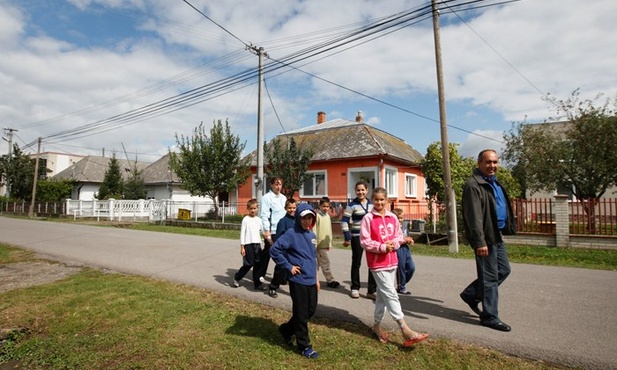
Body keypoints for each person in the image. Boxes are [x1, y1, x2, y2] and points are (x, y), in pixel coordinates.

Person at [360, 187, 429, 347]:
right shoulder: (368, 219)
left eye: (382, 199)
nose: (379, 202)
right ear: (372, 200)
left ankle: (376, 326)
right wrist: (382, 247)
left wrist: (395, 243)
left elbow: (398, 236)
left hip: (392, 261)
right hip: (377, 263)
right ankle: (405, 329)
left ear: (387, 200)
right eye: (376, 199)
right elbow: (364, 241)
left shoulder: (392, 217)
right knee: (391, 294)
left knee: (383, 297)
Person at [460, 149, 516, 332]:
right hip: (485, 238)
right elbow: (473, 217)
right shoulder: (473, 185)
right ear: (479, 164)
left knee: (504, 270)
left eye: (495, 162)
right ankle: (490, 317)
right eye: (488, 162)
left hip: (496, 235)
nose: (492, 166)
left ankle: (471, 294)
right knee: (490, 278)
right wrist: (479, 242)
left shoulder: (494, 184)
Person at [270, 203, 320, 359]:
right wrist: (288, 266)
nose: (306, 221)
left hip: (311, 279)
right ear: (298, 218)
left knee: (310, 310)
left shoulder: (312, 235)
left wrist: (317, 278)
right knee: (301, 313)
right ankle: (304, 346)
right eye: (304, 218)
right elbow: (274, 250)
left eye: (309, 218)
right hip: (297, 279)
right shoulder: (291, 233)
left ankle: (286, 329)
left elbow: (313, 258)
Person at [341, 181, 377, 299]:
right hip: (357, 237)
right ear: (355, 191)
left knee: (372, 263)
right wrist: (347, 235)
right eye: (358, 190)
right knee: (356, 263)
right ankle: (355, 288)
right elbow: (344, 221)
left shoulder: (372, 205)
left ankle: (371, 290)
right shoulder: (352, 205)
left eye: (363, 190)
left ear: (367, 191)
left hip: (371, 238)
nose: (360, 192)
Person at [257, 177, 287, 286]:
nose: (278, 187)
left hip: (282, 230)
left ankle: (282, 277)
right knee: (268, 253)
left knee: (282, 254)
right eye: (276, 184)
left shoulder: (283, 198)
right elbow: (264, 215)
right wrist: (267, 231)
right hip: (272, 230)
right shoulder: (266, 198)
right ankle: (259, 274)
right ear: (271, 185)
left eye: (280, 184)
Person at [267, 198, 297, 298]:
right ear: (285, 208)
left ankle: (292, 288)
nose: (292, 210)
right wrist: (280, 251)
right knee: (280, 269)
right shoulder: (283, 221)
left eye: (294, 208)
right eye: (289, 208)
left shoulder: (297, 220)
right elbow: (279, 238)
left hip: (294, 250)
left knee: (293, 270)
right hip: (284, 251)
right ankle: (273, 287)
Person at [232, 199, 264, 290]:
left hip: (257, 244)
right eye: (251, 209)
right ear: (248, 209)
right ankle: (237, 277)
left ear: (257, 209)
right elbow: (242, 233)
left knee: (258, 264)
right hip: (248, 245)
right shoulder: (245, 219)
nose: (253, 210)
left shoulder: (259, 220)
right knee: (248, 264)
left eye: (254, 208)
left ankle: (257, 284)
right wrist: (242, 247)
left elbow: (262, 231)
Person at [315, 197, 340, 288]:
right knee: (324, 262)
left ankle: (315, 279)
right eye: (323, 206)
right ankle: (330, 280)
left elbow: (329, 230)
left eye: (327, 206)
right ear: (319, 206)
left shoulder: (328, 216)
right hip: (318, 245)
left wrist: (329, 243)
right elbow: (314, 231)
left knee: (319, 263)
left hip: (325, 244)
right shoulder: (317, 216)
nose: (325, 208)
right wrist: (315, 244)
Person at [393, 208, 415, 295]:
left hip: (405, 248)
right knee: (401, 268)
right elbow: (395, 238)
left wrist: (410, 240)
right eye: (397, 218)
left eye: (401, 218)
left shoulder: (405, 226)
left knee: (411, 267)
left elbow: (407, 236)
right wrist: (404, 240)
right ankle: (401, 287)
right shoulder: (393, 227)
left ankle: (402, 283)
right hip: (398, 248)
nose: (399, 220)